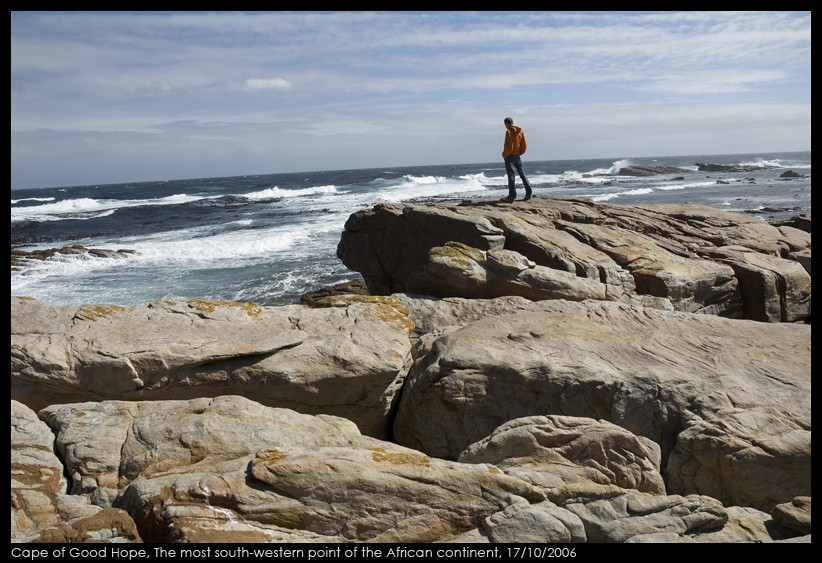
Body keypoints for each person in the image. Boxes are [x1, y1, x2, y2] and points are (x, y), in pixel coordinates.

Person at [500, 117, 533, 202]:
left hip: (509, 156)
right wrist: (520, 152)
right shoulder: (520, 131)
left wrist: (504, 155)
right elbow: (524, 144)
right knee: (522, 175)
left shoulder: (508, 132)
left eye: (505, 124)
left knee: (511, 176)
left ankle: (511, 196)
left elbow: (509, 145)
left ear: (506, 124)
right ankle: (529, 194)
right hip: (517, 156)